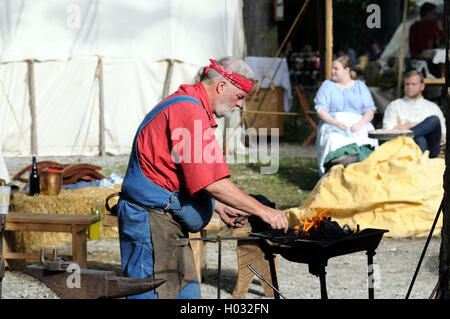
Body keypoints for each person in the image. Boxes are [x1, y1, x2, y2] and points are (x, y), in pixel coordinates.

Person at [116, 56, 289, 299]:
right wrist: (264, 211)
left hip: (166, 222)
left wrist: (218, 205)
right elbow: (212, 181)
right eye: (240, 97)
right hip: (150, 222)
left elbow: (181, 170)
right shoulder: (188, 111)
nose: (240, 105)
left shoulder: (188, 106)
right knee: (149, 294)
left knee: (188, 297)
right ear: (221, 87)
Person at [314, 55, 378, 176]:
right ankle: (333, 175)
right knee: (334, 139)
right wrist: (336, 123)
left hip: (359, 123)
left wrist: (359, 124)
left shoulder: (360, 86)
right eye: (332, 68)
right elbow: (320, 110)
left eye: (336, 68)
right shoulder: (327, 86)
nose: (332, 71)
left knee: (366, 138)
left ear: (347, 70)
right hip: (333, 123)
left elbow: (369, 111)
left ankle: (363, 174)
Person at [382, 70, 445, 158]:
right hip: (403, 147)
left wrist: (423, 128)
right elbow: (387, 131)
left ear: (422, 86)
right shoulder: (394, 105)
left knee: (434, 119)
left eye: (413, 84)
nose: (409, 87)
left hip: (431, 149)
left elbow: (443, 135)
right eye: (407, 84)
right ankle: (413, 138)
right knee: (420, 139)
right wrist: (408, 125)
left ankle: (411, 135)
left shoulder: (432, 107)